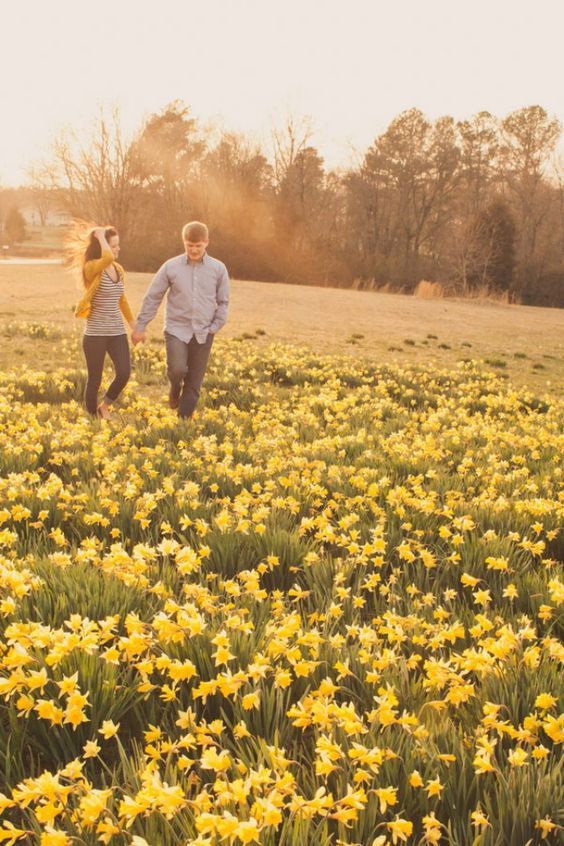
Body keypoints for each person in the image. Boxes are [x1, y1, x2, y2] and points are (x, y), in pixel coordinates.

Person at [132, 221, 229, 419]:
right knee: (176, 369)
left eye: (198, 246)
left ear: (206, 243)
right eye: (189, 245)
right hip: (177, 329)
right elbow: (153, 296)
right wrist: (141, 326)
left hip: (204, 331)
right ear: (183, 242)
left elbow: (223, 301)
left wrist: (215, 326)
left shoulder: (218, 269)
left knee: (194, 380)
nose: (193, 250)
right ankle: (175, 389)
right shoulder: (171, 266)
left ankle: (183, 422)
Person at [75, 226, 134, 418]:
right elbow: (107, 257)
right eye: (113, 246)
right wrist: (100, 235)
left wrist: (134, 325)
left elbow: (122, 300)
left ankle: (105, 405)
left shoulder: (118, 269)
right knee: (95, 380)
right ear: (102, 246)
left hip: (117, 332)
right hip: (95, 334)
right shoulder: (91, 268)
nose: (118, 249)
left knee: (124, 372)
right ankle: (92, 418)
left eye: (118, 245)